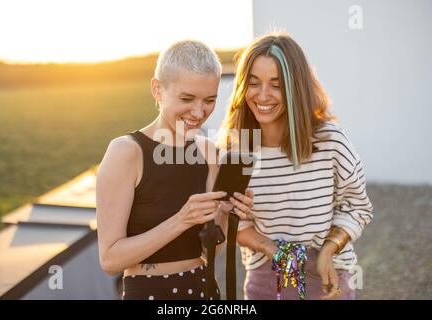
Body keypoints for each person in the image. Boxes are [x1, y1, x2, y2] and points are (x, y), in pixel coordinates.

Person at [218, 32, 373, 300]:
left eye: (276, 85)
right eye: (254, 83)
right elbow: (235, 223)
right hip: (266, 278)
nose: (263, 96)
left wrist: (328, 250)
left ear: (296, 88)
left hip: (325, 273)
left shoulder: (330, 141)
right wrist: (271, 249)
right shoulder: (236, 150)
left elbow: (357, 206)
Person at [96, 39, 254, 300]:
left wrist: (226, 213)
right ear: (157, 89)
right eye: (187, 98)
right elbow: (110, 260)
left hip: (204, 289)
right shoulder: (126, 152)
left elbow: (211, 250)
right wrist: (181, 220)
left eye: (209, 100)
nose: (199, 112)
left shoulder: (207, 151)